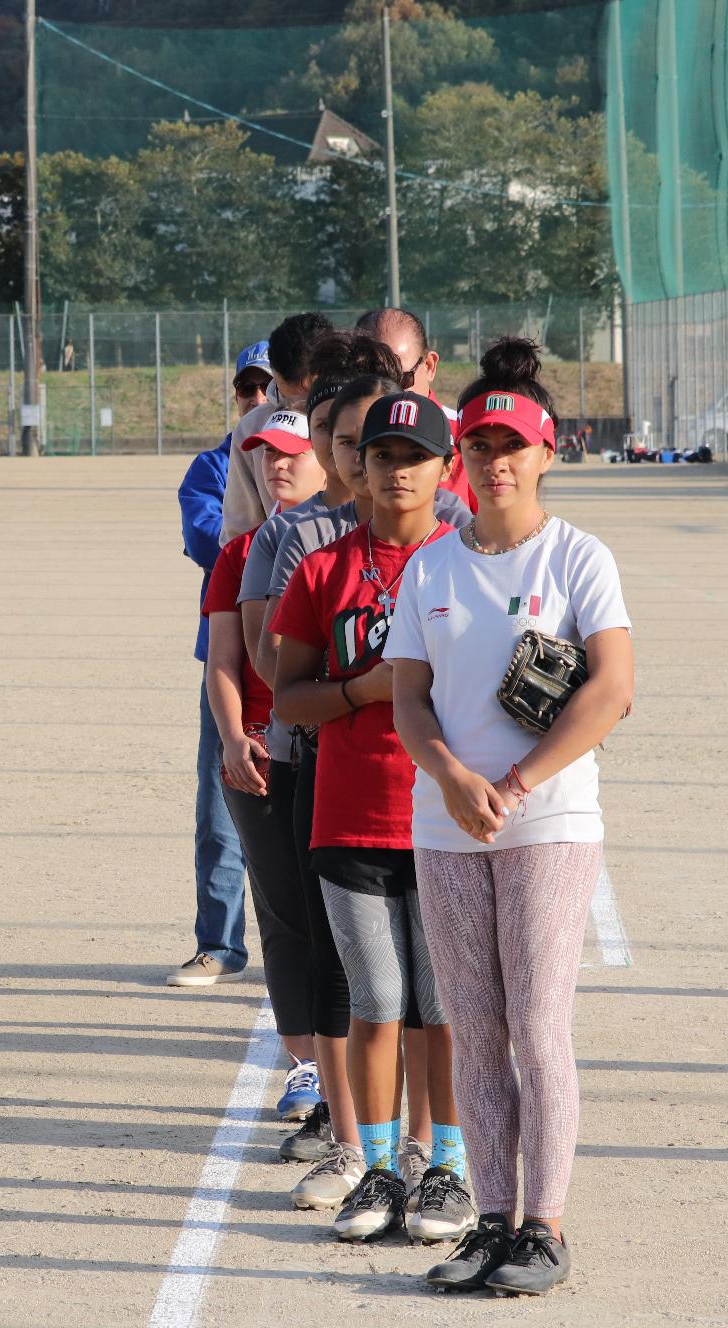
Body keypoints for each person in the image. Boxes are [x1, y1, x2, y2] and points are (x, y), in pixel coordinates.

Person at [386, 339, 634, 1296]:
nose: (494, 462)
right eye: (478, 445)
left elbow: (612, 686)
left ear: (545, 451)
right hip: (448, 822)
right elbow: (408, 697)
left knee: (537, 1022)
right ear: (461, 458)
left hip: (547, 819)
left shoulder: (577, 556)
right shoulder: (432, 567)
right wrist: (448, 775)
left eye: (512, 445)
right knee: (475, 1029)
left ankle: (547, 1224)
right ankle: (492, 1219)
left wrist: (518, 783)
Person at [272, 389, 473, 1248]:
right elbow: (289, 698)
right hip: (348, 817)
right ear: (357, 466)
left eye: (414, 457)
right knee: (378, 996)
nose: (396, 471)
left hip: (440, 816)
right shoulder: (322, 571)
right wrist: (363, 688)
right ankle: (383, 1164)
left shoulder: (467, 564)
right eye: (381, 455)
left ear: (443, 469)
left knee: (441, 1001)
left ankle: (449, 1167)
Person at [206, 407, 329, 1123]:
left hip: (324, 750)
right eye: (262, 454)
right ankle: (307, 1067)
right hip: (256, 753)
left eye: (290, 452)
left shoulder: (340, 542)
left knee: (340, 910)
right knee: (282, 913)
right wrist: (231, 735)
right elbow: (224, 661)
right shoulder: (238, 553)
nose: (275, 464)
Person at [167, 351, 266, 988]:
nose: (257, 396)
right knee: (220, 805)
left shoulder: (314, 460)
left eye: (270, 385)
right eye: (246, 387)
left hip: (308, 661)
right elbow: (214, 539)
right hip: (228, 662)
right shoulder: (210, 467)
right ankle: (220, 944)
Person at [222, 312, 336, 543]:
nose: (298, 409)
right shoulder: (252, 427)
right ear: (275, 375)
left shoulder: (360, 419)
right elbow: (239, 534)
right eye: (287, 397)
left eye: (309, 400)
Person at [356, 307, 476, 512]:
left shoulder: (470, 438)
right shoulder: (335, 435)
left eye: (400, 379)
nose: (385, 393)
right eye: (371, 380)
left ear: (429, 366)